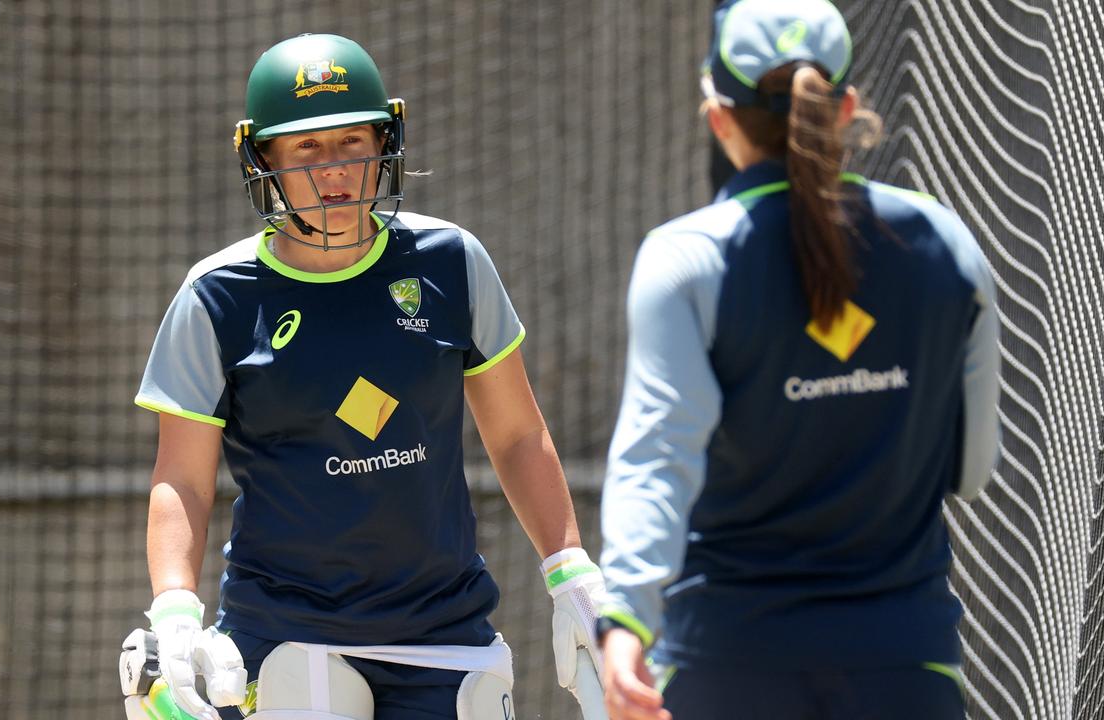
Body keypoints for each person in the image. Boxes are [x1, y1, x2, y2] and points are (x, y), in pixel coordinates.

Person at [118, 33, 607, 720]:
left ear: (386, 142)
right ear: (263, 159)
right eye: (307, 148)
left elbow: (520, 435)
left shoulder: (452, 262)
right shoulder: (216, 296)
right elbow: (183, 479)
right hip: (283, 634)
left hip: (447, 635)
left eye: (353, 141)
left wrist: (571, 574)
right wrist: (174, 611)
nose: (335, 170)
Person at [594, 1, 1001, 719]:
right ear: (846, 107)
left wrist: (625, 619)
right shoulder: (945, 243)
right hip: (906, 667)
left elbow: (659, 458)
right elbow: (970, 472)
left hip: (726, 667)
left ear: (718, 117)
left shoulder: (687, 258)